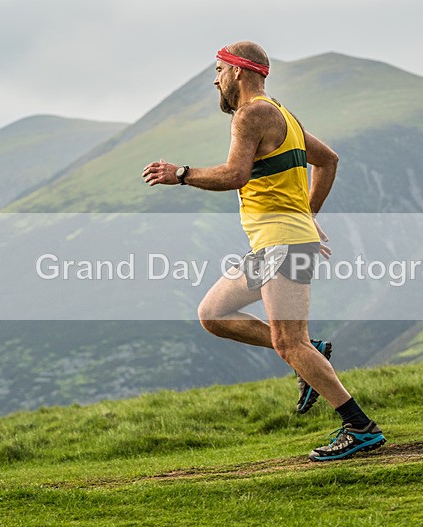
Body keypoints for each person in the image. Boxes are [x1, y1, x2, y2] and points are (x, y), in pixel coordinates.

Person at [142, 41, 385, 461]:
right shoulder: (281, 114)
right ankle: (315, 352)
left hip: (283, 244)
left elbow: (235, 175)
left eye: (218, 70)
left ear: (237, 71)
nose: (215, 79)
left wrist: (180, 173)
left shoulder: (251, 114)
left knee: (290, 343)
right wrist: (306, 215)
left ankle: (360, 427)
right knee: (213, 314)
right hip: (276, 243)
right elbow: (328, 160)